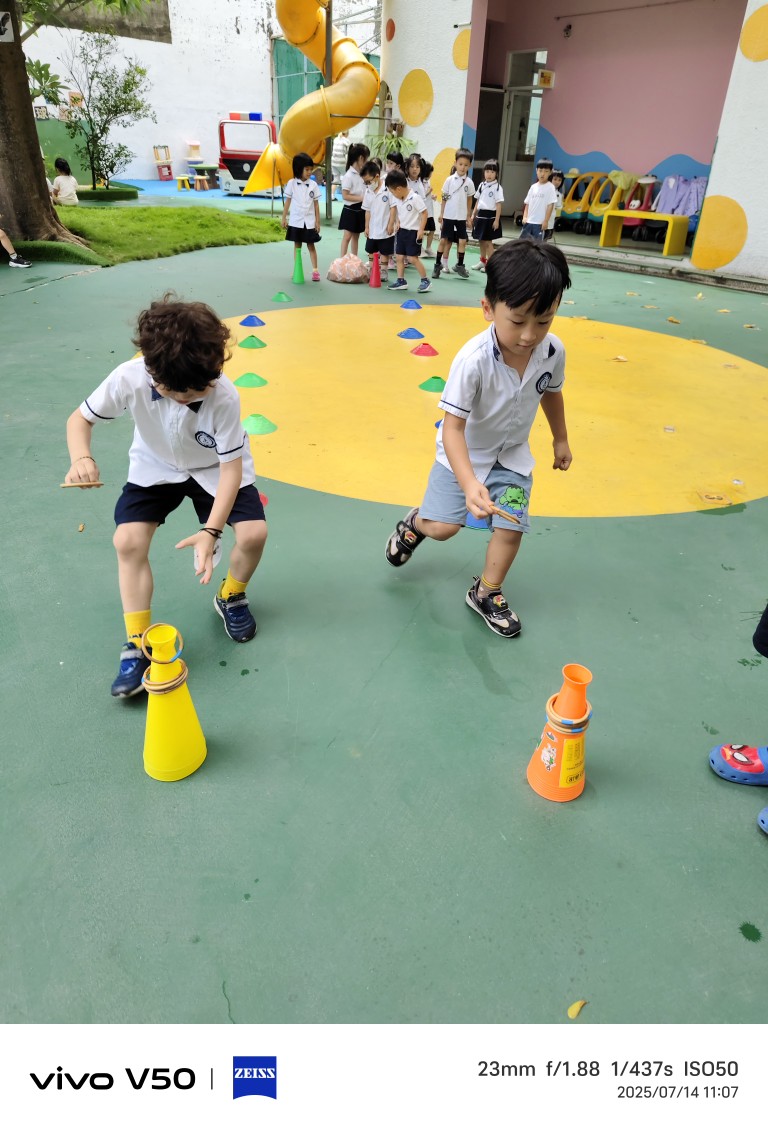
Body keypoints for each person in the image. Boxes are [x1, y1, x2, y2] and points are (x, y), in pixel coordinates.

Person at [63, 295, 268, 697]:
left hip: (214, 468)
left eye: (199, 390)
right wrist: (81, 457)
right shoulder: (129, 376)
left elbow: (231, 470)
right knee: (127, 541)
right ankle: (137, 642)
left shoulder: (223, 395)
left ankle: (231, 595)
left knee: (254, 534)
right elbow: (79, 420)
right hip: (155, 465)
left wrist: (210, 531)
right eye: (179, 392)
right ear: (151, 369)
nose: (190, 397)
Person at [385, 239, 572, 637]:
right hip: (463, 456)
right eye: (518, 321)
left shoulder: (553, 351)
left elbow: (552, 393)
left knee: (511, 526)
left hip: (513, 457)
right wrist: (469, 483)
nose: (530, 335)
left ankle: (487, 591)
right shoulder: (473, 360)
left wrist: (561, 439)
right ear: (488, 308)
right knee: (443, 529)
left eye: (544, 321)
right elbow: (452, 428)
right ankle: (415, 523)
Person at [384, 169, 430, 293]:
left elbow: (424, 213)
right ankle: (401, 281)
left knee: (412, 258)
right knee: (399, 257)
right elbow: (400, 212)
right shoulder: (398, 198)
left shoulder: (415, 198)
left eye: (392, 192)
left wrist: (421, 229)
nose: (393, 195)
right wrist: (398, 222)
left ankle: (425, 280)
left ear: (398, 189)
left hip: (413, 232)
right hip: (401, 232)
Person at [432, 147, 475, 280]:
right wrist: (441, 213)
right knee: (443, 240)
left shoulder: (469, 182)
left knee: (462, 241)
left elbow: (469, 199)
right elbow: (444, 197)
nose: (462, 167)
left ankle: (460, 265)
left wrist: (468, 215)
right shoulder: (449, 180)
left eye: (466, 165)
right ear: (455, 163)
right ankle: (437, 265)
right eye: (460, 164)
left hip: (461, 217)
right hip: (449, 216)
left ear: (470, 166)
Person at [281, 152, 322, 282]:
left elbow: (316, 205)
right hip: (296, 221)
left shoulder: (313, 185)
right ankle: (297, 269)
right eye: (307, 169)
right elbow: (287, 202)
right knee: (297, 245)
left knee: (311, 245)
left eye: (311, 169)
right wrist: (284, 218)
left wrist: (317, 222)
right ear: (299, 169)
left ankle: (315, 271)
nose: (310, 172)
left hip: (309, 221)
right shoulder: (291, 183)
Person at [362, 160, 396, 286]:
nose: (367, 184)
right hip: (373, 227)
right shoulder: (368, 191)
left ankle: (384, 271)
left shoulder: (388, 189)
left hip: (385, 228)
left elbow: (393, 207)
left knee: (385, 251)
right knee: (371, 250)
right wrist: (366, 226)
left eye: (368, 181)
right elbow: (367, 210)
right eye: (365, 182)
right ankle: (372, 269)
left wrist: (391, 224)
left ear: (377, 176)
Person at [470, 158, 504, 271]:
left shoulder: (497, 188)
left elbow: (498, 205)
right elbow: (477, 201)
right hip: (480, 216)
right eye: (487, 171)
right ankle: (482, 261)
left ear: (496, 173)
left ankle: (491, 264)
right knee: (481, 240)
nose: (489, 174)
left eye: (492, 172)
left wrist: (496, 220)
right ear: (484, 172)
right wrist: (473, 215)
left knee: (488, 242)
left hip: (491, 217)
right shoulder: (481, 185)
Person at [338, 142, 370, 257]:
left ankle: (354, 259)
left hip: (360, 209)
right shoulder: (348, 175)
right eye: (366, 159)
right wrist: (362, 198)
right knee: (347, 236)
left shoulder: (362, 174)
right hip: (350, 209)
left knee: (356, 236)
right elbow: (345, 195)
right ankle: (342, 260)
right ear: (361, 158)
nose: (366, 162)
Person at [520, 157, 556, 241]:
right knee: (524, 244)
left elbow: (550, 206)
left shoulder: (550, 187)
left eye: (546, 171)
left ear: (550, 172)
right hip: (529, 222)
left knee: (539, 245)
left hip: (540, 224)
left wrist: (546, 221)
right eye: (540, 171)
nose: (542, 174)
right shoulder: (533, 187)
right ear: (536, 171)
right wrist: (525, 217)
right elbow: (527, 203)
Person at [420, 160, 438, 258]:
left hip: (430, 211)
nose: (431, 174)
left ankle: (428, 248)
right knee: (422, 230)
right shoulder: (420, 182)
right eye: (431, 172)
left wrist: (432, 196)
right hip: (423, 212)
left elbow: (427, 195)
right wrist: (428, 192)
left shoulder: (427, 181)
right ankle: (420, 249)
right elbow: (421, 196)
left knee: (432, 229)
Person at [544, 169, 564, 242]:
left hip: (550, 222)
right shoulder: (544, 190)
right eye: (555, 179)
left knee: (545, 239)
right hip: (540, 221)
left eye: (559, 180)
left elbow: (559, 206)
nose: (557, 182)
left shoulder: (559, 194)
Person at [330, 130, 349, 200]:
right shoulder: (347, 141)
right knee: (348, 177)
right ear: (347, 134)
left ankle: (332, 196)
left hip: (333, 162)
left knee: (336, 179)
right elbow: (347, 153)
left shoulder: (335, 139)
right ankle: (347, 196)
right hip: (341, 162)